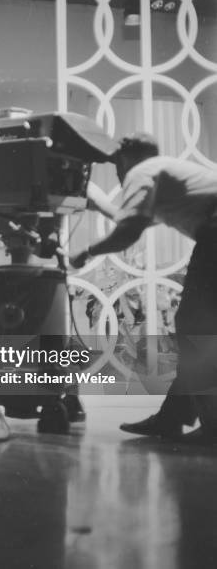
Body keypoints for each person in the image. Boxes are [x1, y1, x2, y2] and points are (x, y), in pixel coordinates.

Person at [71, 132, 217, 445]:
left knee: (196, 328)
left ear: (126, 156)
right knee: (199, 328)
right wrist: (98, 204)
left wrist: (85, 253)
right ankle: (172, 418)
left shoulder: (143, 171)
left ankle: (212, 427)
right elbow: (131, 219)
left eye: (115, 164)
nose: (117, 172)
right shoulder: (164, 172)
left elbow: (128, 232)